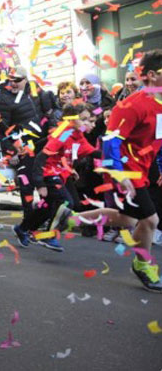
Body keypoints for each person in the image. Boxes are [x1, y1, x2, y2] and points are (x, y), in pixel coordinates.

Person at [51, 50, 162, 292]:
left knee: (129, 219)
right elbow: (111, 141)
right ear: (152, 75)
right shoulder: (131, 105)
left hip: (146, 169)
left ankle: (70, 218)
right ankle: (143, 265)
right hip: (125, 170)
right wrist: (119, 174)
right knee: (150, 220)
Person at [13, 103, 97, 252]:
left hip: (61, 174)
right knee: (66, 202)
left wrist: (121, 158)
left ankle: (23, 228)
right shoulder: (63, 133)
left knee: (50, 207)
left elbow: (91, 152)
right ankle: (49, 236)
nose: (89, 124)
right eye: (84, 120)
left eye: (89, 120)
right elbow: (41, 157)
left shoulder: (78, 135)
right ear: (70, 120)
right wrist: (39, 183)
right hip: (48, 173)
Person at [0, 66, 55, 221]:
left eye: (18, 80)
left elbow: (47, 112)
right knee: (26, 182)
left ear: (26, 80)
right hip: (22, 146)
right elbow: (2, 128)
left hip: (41, 143)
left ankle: (44, 217)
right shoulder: (4, 98)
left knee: (45, 180)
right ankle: (28, 220)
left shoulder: (34, 90)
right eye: (10, 80)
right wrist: (11, 151)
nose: (13, 83)